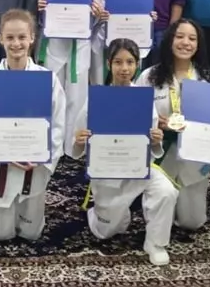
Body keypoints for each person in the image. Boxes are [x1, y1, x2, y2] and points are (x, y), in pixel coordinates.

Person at [72, 38, 177, 266]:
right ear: (109, 64)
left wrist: (156, 140)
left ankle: (155, 243)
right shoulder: (96, 98)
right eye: (118, 62)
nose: (124, 68)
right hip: (108, 171)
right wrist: (80, 141)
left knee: (167, 191)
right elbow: (78, 139)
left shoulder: (142, 98)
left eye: (130, 62)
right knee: (107, 232)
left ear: (137, 65)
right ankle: (100, 214)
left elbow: (152, 142)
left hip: (138, 167)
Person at [0, 9, 66, 241]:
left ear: (32, 38)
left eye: (22, 37)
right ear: (0, 39)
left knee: (31, 234)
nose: (16, 43)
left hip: (34, 166)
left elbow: (58, 125)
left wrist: (43, 159)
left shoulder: (48, 79)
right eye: (10, 37)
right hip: (0, 167)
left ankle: (30, 209)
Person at [135, 19, 210, 231]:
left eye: (192, 38)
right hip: (161, 152)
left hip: (192, 154)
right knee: (160, 220)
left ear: (198, 45)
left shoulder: (206, 78)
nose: (185, 43)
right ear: (170, 39)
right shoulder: (149, 76)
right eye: (179, 36)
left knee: (192, 223)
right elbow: (135, 116)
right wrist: (155, 122)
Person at [36, 0, 103, 156]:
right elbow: (33, 0)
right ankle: (52, 146)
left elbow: (97, 2)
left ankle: (72, 147)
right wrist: (39, 5)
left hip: (78, 42)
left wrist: (97, 8)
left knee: (76, 96)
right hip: (51, 41)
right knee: (51, 94)